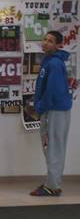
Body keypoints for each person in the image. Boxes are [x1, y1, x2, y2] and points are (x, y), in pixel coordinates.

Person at [30, 30, 73, 196]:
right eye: (45, 39)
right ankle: (52, 181)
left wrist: (41, 107)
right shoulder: (49, 61)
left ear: (58, 45)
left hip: (54, 110)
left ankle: (52, 186)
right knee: (52, 147)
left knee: (53, 147)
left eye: (50, 41)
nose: (45, 43)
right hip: (53, 109)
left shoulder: (54, 63)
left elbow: (52, 91)